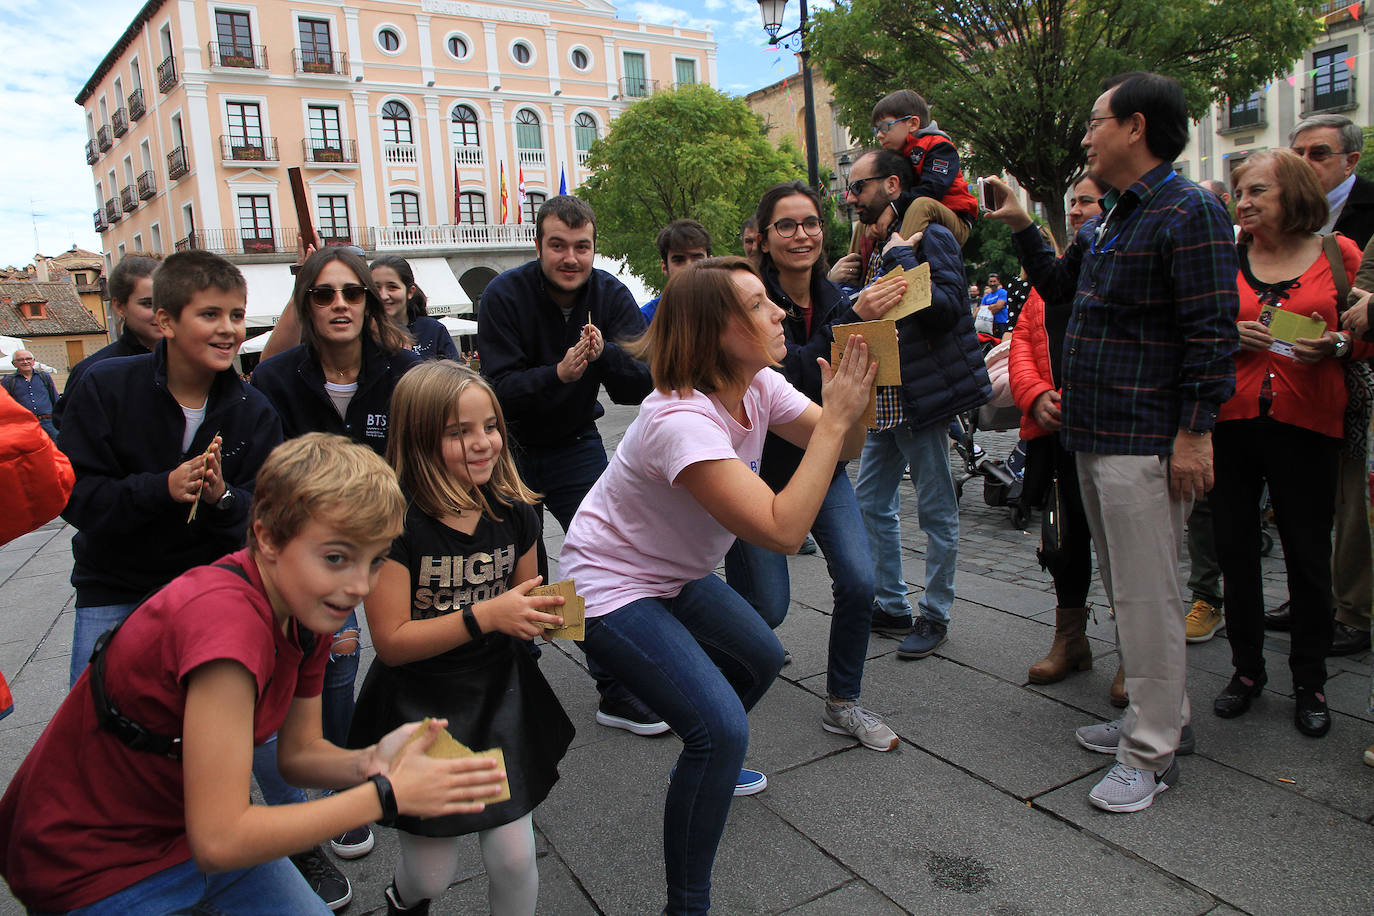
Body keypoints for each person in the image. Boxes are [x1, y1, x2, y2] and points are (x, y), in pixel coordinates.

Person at [0, 433, 507, 915]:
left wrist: (375, 760)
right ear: (266, 537)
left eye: (375, 562)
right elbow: (221, 838)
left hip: (181, 830)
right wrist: (384, 795)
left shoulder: (308, 606)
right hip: (92, 861)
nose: (358, 585)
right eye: (336, 557)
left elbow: (299, 754)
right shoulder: (228, 626)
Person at [558, 256, 875, 915]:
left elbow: (840, 448)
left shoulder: (758, 384)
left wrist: (856, 406)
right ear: (715, 331)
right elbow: (783, 530)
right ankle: (687, 905)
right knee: (722, 731)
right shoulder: (680, 420)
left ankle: (700, 769)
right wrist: (839, 418)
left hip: (669, 574)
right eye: (761, 305)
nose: (780, 312)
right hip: (598, 587)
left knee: (761, 656)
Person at [984, 71, 1240, 813]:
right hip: (1095, 434)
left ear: (1134, 126)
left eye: (1095, 122)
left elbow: (1211, 333)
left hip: (1146, 440)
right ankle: (1156, 718)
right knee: (1130, 592)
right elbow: (1059, 290)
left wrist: (1195, 434)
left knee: (1149, 593)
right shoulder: (1116, 217)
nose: (1085, 135)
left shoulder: (1187, 211)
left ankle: (1151, 754)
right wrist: (1024, 224)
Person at [350, 362, 573, 915]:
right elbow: (393, 640)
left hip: (500, 690)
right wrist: (487, 616)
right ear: (419, 437)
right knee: (430, 874)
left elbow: (531, 596)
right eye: (458, 432)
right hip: (419, 703)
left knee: (515, 858)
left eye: (490, 426)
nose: (482, 444)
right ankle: (404, 901)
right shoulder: (393, 522)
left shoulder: (516, 510)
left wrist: (563, 612)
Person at [250, 246, 422, 887]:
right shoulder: (276, 380)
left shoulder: (402, 371)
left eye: (352, 293)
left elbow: (423, 459)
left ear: (370, 303)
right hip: (316, 550)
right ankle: (343, 790)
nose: (340, 305)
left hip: (394, 536)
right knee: (337, 657)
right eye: (324, 295)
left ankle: (383, 765)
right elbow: (269, 485)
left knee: (408, 649)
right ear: (306, 306)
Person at [723, 180, 908, 751]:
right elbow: (785, 375)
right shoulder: (753, 302)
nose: (800, 234)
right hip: (753, 474)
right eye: (786, 225)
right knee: (768, 609)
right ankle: (710, 678)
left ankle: (843, 701)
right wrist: (852, 315)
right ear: (762, 237)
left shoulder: (838, 295)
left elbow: (860, 386)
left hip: (824, 466)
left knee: (859, 580)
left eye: (810, 223)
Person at [476, 195, 664, 738]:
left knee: (599, 564)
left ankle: (614, 688)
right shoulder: (503, 295)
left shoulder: (609, 294)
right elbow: (499, 390)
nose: (571, 258)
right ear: (539, 247)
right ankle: (519, 677)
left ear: (593, 248)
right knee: (513, 567)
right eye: (558, 245)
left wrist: (604, 355)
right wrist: (557, 373)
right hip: (508, 452)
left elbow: (637, 384)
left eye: (582, 247)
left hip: (576, 444)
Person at [58, 250, 282, 688]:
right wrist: (162, 488)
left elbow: (268, 513)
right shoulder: (106, 386)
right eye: (210, 314)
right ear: (166, 322)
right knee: (97, 730)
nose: (228, 329)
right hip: (116, 588)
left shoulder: (254, 410)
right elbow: (75, 495)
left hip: (215, 587)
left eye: (237, 315)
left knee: (221, 731)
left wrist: (223, 498)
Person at [1211, 148, 1370, 738]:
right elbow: (1192, 333)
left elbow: (1363, 338)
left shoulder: (1339, 254)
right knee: (1235, 550)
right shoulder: (1225, 260)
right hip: (1232, 423)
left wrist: (1336, 346)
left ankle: (1310, 679)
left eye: (1257, 192)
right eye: (1239, 193)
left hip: (1309, 427)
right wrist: (1229, 333)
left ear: (1294, 194)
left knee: (1307, 558)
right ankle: (1246, 671)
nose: (1243, 203)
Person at [842, 148, 991, 659]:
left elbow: (949, 311)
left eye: (857, 186)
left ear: (889, 185)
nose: (850, 196)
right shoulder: (873, 245)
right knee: (870, 501)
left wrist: (906, 256)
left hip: (923, 400)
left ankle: (936, 613)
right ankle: (891, 603)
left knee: (936, 511)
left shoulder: (932, 237)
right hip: (886, 401)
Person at [1268, 113, 1374, 656]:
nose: (1304, 164)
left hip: (1355, 380)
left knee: (1354, 503)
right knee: (1310, 504)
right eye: (1298, 152)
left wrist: (1341, 339)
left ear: (1351, 162)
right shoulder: (1278, 221)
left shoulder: (1365, 219)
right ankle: (1308, 597)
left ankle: (1353, 611)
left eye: (1318, 154)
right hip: (1290, 382)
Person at [1010, 175, 1105, 688]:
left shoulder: (1116, 267)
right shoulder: (1055, 276)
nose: (1075, 211)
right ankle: (1071, 640)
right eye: (1071, 203)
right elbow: (1023, 342)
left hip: (1106, 427)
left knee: (1118, 544)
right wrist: (1034, 395)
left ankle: (1139, 658)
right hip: (1056, 432)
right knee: (1065, 540)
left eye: (1085, 201)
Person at [55, 254, 162, 425]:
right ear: (119, 307)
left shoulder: (194, 362)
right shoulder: (93, 372)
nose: (160, 312)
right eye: (148, 304)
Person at [870, 88, 979, 246]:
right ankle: (853, 266)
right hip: (914, 216)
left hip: (953, 218)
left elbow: (933, 189)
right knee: (866, 215)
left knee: (922, 203)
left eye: (885, 127)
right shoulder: (897, 155)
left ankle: (899, 261)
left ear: (913, 123)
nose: (879, 134)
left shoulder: (940, 147)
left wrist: (893, 208)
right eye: (876, 130)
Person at [371, 255, 459, 361]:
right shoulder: (362, 334)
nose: (383, 296)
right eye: (376, 288)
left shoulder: (433, 330)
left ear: (410, 292)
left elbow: (456, 375)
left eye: (392, 287)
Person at [641, 219, 713, 324]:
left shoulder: (730, 312)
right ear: (664, 267)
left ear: (711, 262)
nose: (689, 266)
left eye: (697, 258)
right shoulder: (646, 319)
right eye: (679, 260)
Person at [3, 350, 58, 440]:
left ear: (34, 361)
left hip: (49, 423)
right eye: (20, 360)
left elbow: (55, 398)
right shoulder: (9, 381)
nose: (25, 362)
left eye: (28, 359)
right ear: (14, 363)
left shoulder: (44, 376)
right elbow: (5, 405)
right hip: (24, 425)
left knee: (56, 450)